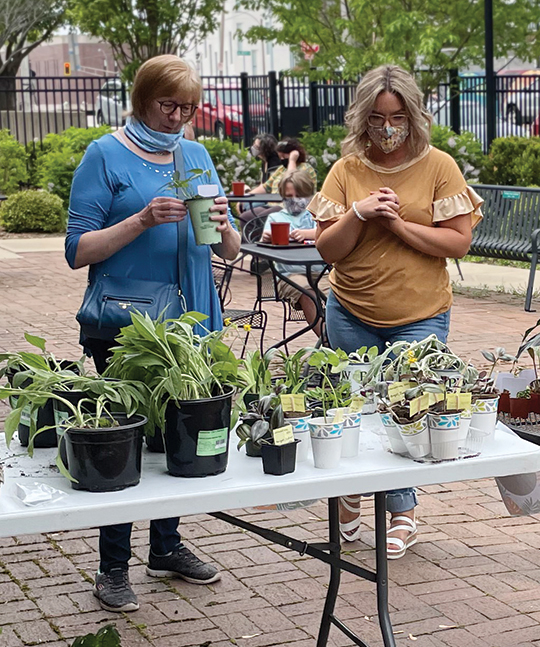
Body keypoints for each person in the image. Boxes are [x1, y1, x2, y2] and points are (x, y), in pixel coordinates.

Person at [64, 54, 241, 613]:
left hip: (193, 321)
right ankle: (112, 566)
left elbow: (228, 249)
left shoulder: (193, 153)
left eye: (188, 108)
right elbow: (77, 250)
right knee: (125, 441)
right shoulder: (105, 154)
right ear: (142, 100)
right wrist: (141, 219)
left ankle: (165, 546)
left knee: (180, 439)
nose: (179, 118)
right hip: (128, 327)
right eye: (169, 105)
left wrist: (224, 222)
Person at [310, 64, 482, 560]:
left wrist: (398, 224)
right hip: (351, 310)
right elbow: (328, 251)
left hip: (420, 314)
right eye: (378, 118)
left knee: (406, 409)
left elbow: (458, 242)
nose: (388, 128)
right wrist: (359, 213)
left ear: (414, 115)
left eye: (398, 116)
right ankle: (351, 491)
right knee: (358, 410)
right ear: (363, 118)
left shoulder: (438, 166)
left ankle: (403, 508)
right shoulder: (346, 171)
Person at [260, 170, 327, 338]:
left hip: (322, 272)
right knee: (307, 292)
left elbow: (331, 231)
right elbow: (263, 242)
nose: (295, 200)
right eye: (289, 195)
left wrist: (309, 233)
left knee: (343, 291)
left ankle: (345, 338)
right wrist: (267, 238)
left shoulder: (317, 216)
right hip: (289, 274)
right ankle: (328, 341)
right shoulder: (276, 217)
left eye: (300, 195)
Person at [240, 137, 317, 226]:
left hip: (288, 206)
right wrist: (245, 197)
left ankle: (264, 238)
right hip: (272, 204)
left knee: (258, 219)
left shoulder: (305, 168)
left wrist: (292, 161)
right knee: (245, 217)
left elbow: (290, 180)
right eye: (280, 157)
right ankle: (249, 240)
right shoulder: (281, 169)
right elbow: (266, 187)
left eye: (284, 156)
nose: (282, 159)